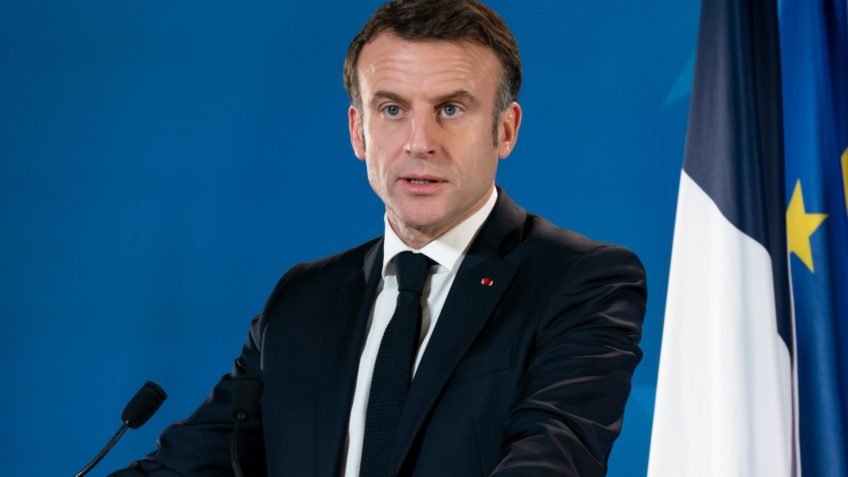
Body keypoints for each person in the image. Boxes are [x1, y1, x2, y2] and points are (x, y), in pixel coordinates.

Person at [111, 0, 646, 476]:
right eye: (393, 110)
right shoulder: (302, 301)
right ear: (357, 131)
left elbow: (553, 456)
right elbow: (187, 465)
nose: (420, 143)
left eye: (451, 109)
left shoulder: (581, 282)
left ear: (505, 130)